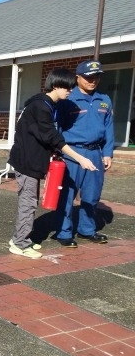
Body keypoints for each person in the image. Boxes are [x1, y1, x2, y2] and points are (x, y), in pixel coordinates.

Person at [8, 69, 96, 259]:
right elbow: (52, 136)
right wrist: (80, 158)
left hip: (31, 159)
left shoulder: (45, 104)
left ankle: (20, 238)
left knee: (29, 201)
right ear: (56, 85)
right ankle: (19, 244)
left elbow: (44, 137)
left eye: (71, 88)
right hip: (27, 161)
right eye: (67, 87)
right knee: (28, 203)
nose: (70, 91)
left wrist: (55, 153)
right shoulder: (41, 107)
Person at [54, 60, 114, 248]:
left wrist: (108, 152)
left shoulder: (104, 99)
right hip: (72, 152)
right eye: (88, 77)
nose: (93, 80)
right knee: (67, 195)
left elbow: (109, 127)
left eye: (96, 76)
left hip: (95, 152)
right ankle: (64, 232)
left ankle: (87, 230)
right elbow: (56, 127)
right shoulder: (68, 99)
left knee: (92, 194)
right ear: (78, 77)